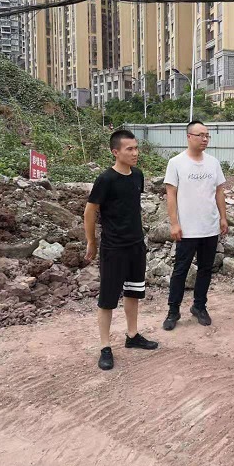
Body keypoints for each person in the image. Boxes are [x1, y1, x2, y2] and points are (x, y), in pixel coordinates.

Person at [84, 129, 159, 371]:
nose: (135, 153)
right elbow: (90, 211)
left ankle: (132, 335)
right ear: (115, 152)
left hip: (136, 245)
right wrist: (92, 241)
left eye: (136, 148)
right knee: (107, 299)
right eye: (130, 149)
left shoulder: (138, 175)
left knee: (133, 292)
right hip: (113, 247)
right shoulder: (106, 179)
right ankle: (105, 347)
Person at [162, 121, 229, 330]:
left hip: (209, 226)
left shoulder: (213, 163)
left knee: (205, 269)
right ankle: (173, 311)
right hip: (187, 228)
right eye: (200, 135)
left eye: (207, 135)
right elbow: (171, 195)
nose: (205, 139)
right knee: (180, 270)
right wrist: (174, 223)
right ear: (189, 137)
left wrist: (223, 217)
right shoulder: (176, 162)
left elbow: (219, 192)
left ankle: (199, 306)